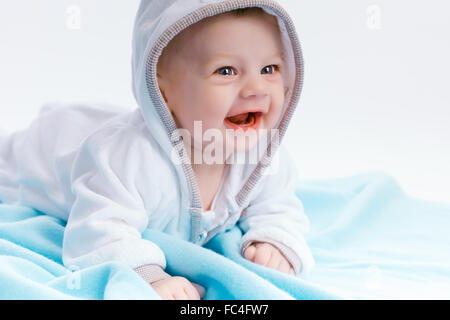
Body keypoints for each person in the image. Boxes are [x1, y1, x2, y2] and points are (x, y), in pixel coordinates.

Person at [0, 0, 314, 300]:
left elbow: (280, 205)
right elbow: (98, 230)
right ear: (162, 89)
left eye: (270, 69)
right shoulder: (125, 160)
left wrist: (275, 239)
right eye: (226, 71)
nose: (257, 88)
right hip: (50, 148)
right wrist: (148, 274)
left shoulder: (263, 156)